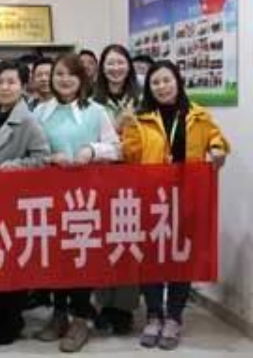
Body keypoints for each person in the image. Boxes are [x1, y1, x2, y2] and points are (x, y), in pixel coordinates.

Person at [122, 60, 229, 351]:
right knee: (151, 259)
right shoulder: (142, 118)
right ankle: (154, 315)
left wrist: (217, 149)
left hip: (187, 197)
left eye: (166, 80)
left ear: (178, 82)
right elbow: (130, 157)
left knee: (182, 258)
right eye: (155, 83)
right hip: (151, 199)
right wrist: (128, 127)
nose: (161, 87)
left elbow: (216, 139)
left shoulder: (198, 115)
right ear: (149, 88)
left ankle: (174, 317)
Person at [33, 53, 121, 353]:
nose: (64, 79)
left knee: (82, 256)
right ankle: (59, 314)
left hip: (88, 198)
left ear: (82, 79)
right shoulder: (40, 111)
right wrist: (49, 158)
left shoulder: (96, 111)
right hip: (49, 196)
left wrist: (92, 150)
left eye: (71, 74)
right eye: (58, 74)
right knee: (56, 256)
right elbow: (32, 150)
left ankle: (81, 318)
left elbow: (116, 148)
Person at [0, 61, 51, 346]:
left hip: (15, 200)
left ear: (22, 86)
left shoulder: (28, 120)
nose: (5, 87)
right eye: (1, 82)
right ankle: (1, 312)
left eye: (11, 82)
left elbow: (42, 158)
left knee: (12, 262)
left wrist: (15, 166)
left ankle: (12, 320)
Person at [91, 44, 143, 335]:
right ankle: (103, 303)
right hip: (100, 180)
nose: (115, 68)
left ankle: (123, 308)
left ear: (129, 66)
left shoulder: (142, 97)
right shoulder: (91, 99)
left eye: (120, 62)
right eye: (110, 63)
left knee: (127, 242)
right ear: (102, 67)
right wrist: (117, 125)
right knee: (102, 243)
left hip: (133, 180)